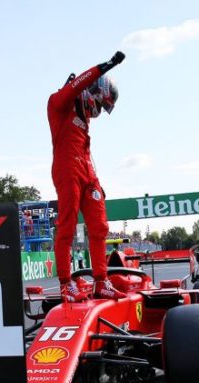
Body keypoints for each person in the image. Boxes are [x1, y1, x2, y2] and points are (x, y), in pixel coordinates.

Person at [48, 50, 126, 302]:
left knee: (100, 225)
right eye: (101, 104)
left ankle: (101, 281)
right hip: (66, 168)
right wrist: (104, 67)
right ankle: (65, 283)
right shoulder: (58, 104)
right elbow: (76, 86)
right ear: (91, 91)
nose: (98, 112)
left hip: (86, 169)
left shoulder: (84, 116)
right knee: (67, 225)